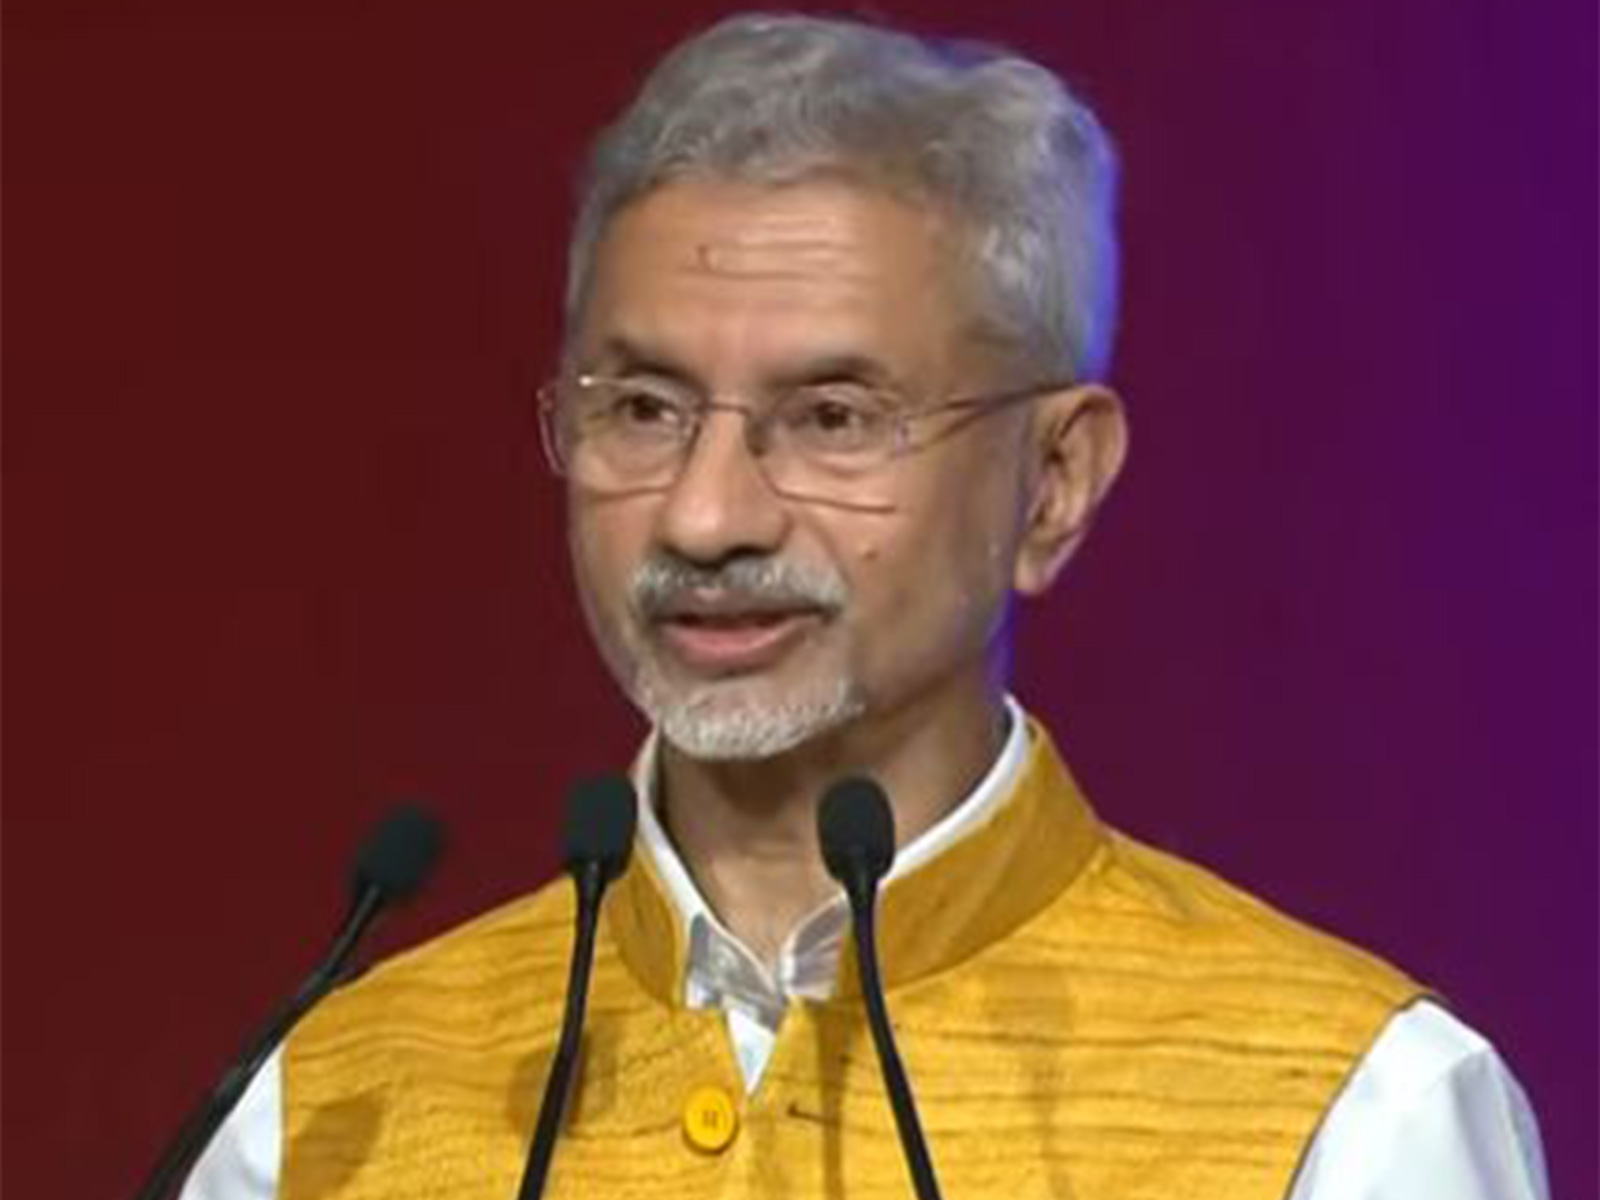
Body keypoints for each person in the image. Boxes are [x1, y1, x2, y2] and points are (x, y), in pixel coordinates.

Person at [182, 13, 1549, 1200]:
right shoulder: (327, 1111)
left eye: (833, 418)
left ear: (1054, 483)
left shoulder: (1351, 1118)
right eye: (644, 409)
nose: (705, 517)